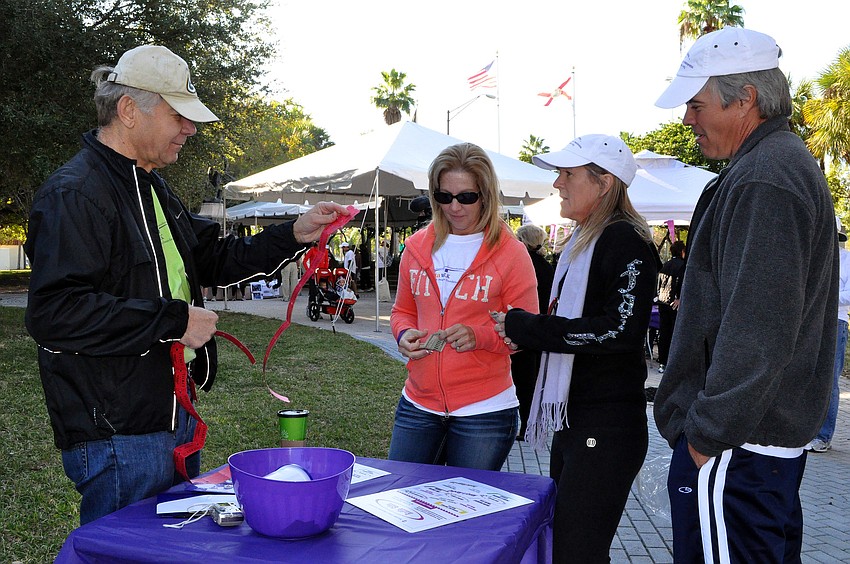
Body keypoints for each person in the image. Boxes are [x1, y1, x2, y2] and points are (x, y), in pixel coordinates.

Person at [23, 45, 349, 526]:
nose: (190, 129)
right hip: (119, 427)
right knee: (127, 554)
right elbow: (55, 314)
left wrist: (295, 232)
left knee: (168, 543)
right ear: (129, 110)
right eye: (179, 116)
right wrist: (174, 321)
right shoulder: (76, 193)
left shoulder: (150, 185)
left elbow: (211, 257)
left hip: (169, 410)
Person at [652, 27, 837, 562]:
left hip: (737, 446)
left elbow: (757, 329)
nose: (687, 119)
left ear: (746, 99)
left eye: (696, 103)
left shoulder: (765, 177)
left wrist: (706, 436)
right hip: (752, 443)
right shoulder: (771, 166)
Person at [492, 134, 660, 562]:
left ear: (604, 183)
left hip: (605, 426)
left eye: (568, 174)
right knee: (570, 548)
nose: (558, 184)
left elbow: (619, 332)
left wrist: (530, 328)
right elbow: (582, 328)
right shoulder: (584, 241)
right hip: (578, 420)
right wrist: (525, 336)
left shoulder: (624, 241)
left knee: (575, 551)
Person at [389, 142, 538, 471]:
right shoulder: (415, 247)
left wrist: (479, 336)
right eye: (444, 196)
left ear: (485, 195)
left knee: (465, 516)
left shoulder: (511, 253)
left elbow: (528, 331)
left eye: (466, 197)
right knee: (400, 500)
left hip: (484, 412)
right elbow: (402, 311)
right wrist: (403, 334)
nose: (454, 207)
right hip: (417, 404)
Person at [808, 218, 850, 453]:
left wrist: (825, 295)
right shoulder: (813, 258)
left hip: (835, 322)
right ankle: (807, 431)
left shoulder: (846, 260)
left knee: (830, 380)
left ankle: (823, 436)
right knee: (808, 376)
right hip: (811, 320)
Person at [510, 224, 554, 439]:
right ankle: (535, 423)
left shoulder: (521, 263)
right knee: (535, 380)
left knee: (522, 382)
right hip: (543, 328)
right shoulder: (548, 267)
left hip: (523, 329)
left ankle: (527, 425)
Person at [655, 240, 686, 374]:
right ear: (682, 251)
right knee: (675, 333)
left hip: (662, 302)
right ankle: (673, 363)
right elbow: (681, 283)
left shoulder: (665, 265)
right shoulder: (682, 266)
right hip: (674, 303)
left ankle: (662, 362)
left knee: (664, 332)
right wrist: (679, 297)